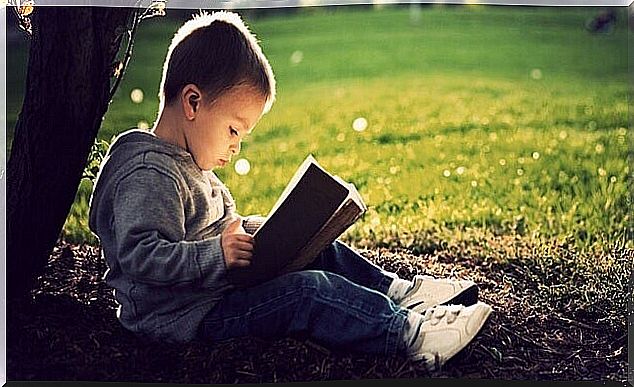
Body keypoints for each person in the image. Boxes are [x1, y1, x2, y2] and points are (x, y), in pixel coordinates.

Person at [88, 10, 492, 371]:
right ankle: (412, 335)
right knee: (306, 292)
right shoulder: (149, 173)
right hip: (187, 318)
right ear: (192, 102)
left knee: (319, 249)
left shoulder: (189, 160)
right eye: (234, 129)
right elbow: (140, 255)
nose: (236, 145)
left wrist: (255, 232)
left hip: (213, 293)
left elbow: (212, 230)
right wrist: (218, 254)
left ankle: (403, 294)